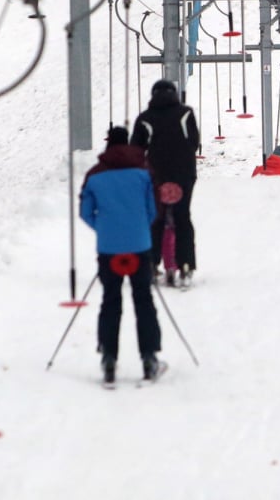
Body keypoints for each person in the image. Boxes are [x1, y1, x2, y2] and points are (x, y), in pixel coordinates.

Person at [79, 126, 164, 384]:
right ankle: (149, 357)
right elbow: (154, 208)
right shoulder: (144, 172)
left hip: (108, 248)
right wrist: (140, 228)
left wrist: (103, 229)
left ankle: (108, 358)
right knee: (143, 300)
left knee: (110, 301)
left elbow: (85, 212)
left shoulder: (95, 175)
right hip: (139, 245)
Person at [130, 79, 200, 286]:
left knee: (156, 218)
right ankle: (185, 264)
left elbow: (136, 150)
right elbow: (194, 142)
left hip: (155, 176)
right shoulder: (185, 113)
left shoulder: (145, 119)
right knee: (182, 217)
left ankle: (152, 264)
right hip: (184, 175)